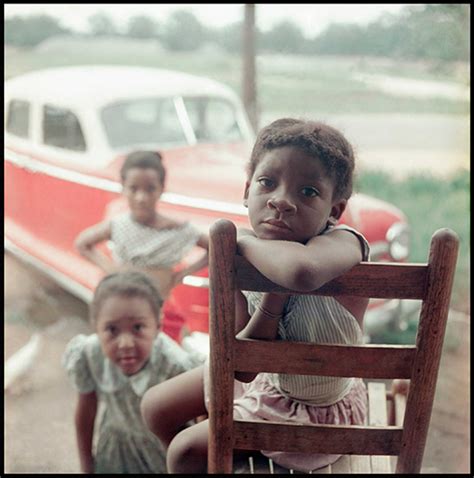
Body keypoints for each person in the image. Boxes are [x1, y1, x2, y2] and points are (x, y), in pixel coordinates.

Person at [140, 118, 371, 473]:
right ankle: (221, 455)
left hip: (317, 411)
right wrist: (272, 303)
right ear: (248, 190)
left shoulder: (344, 243)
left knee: (185, 452)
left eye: (308, 191)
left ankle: (216, 451)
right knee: (155, 406)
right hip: (265, 380)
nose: (281, 201)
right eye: (268, 182)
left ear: (335, 211)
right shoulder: (241, 256)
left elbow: (300, 272)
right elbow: (243, 369)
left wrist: (241, 242)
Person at [62, 270, 203, 473]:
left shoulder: (175, 364)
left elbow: (201, 418)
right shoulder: (90, 354)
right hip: (114, 450)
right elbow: (86, 410)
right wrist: (86, 466)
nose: (126, 343)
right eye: (112, 330)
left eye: (138, 328)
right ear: (96, 327)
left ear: (158, 326)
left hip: (162, 456)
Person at [74, 150, 209, 339]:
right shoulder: (118, 225)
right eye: (134, 189)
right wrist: (111, 269)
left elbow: (214, 247)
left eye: (150, 189)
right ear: (123, 188)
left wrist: (182, 275)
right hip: (124, 313)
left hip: (161, 312)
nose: (141, 197)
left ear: (161, 189)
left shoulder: (176, 229)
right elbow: (82, 243)